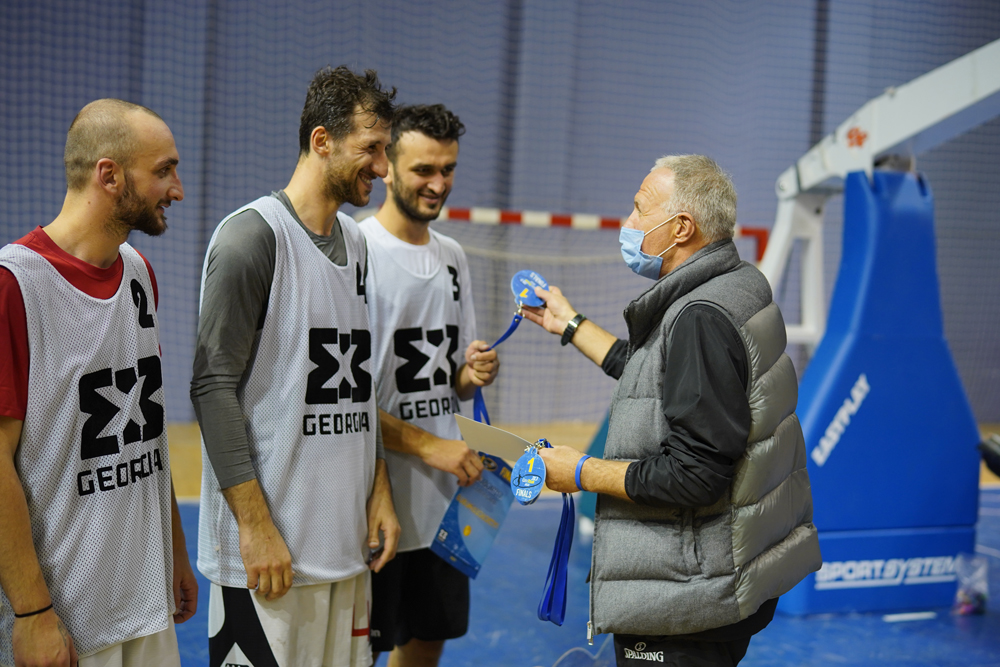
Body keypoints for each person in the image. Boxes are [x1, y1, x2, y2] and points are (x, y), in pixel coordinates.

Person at [522, 155, 821, 666]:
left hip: (687, 593)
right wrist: (570, 324)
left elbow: (695, 474)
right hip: (724, 577)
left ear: (681, 227)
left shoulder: (698, 317)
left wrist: (581, 471)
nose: (628, 222)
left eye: (640, 210)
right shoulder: (736, 283)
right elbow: (660, 381)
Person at [191, 66, 401, 667]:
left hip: (346, 555)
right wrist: (254, 526)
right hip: (270, 560)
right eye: (372, 149)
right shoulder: (252, 237)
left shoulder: (357, 243)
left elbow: (356, 387)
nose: (383, 168)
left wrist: (379, 488)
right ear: (321, 140)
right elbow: (211, 387)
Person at [0, 99, 196, 667]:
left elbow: (145, 430)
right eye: (163, 170)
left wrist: (174, 550)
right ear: (109, 175)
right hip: (66, 620)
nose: (177, 189)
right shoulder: (16, 285)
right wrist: (32, 613)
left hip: (146, 604)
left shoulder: (138, 271)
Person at [357, 104, 499, 666]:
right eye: (423, 170)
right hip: (375, 494)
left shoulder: (454, 257)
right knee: (360, 648)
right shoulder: (355, 251)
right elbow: (345, 401)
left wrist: (472, 373)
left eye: (448, 169)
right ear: (387, 166)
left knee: (429, 638)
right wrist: (427, 446)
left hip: (445, 498)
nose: (438, 184)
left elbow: (451, 380)